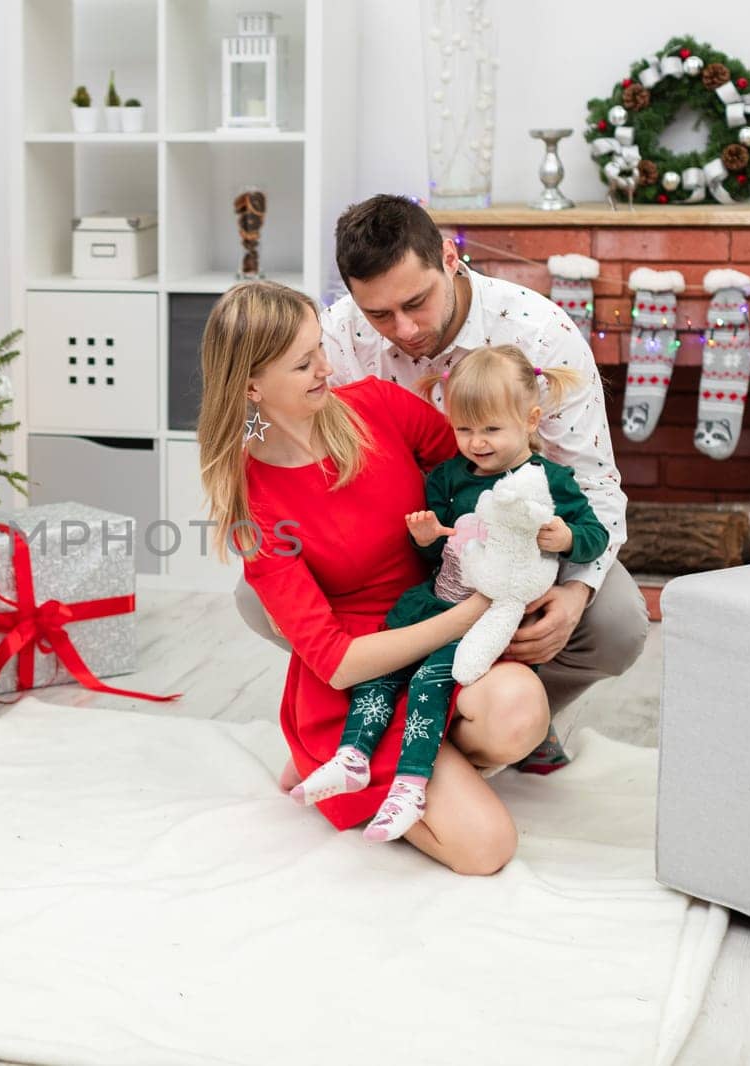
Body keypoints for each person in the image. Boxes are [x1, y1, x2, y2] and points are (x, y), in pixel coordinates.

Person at [234, 195, 648, 768]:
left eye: (416, 302)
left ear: (450, 259)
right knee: (257, 597)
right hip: (397, 541)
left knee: (619, 622)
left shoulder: (540, 332)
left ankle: (518, 716)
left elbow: (595, 486)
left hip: (518, 541)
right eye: (379, 314)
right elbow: (293, 440)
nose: (403, 330)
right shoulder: (336, 338)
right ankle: (399, 706)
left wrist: (576, 593)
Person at [198, 280, 550, 875]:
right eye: (304, 362)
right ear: (252, 385)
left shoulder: (378, 408)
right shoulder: (253, 500)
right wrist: (467, 616)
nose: (326, 368)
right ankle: (348, 763)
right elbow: (334, 660)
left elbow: (480, 473)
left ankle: (426, 758)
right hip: (360, 680)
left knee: (520, 711)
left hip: (434, 627)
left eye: (320, 350)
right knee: (487, 849)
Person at [291, 344, 609, 843]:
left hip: (489, 620)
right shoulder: (447, 476)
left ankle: (411, 784)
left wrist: (567, 539)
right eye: (464, 429)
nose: (476, 443)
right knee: (384, 670)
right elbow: (437, 551)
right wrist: (425, 537)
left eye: (491, 430)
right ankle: (352, 755)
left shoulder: (549, 481)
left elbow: (595, 533)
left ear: (529, 421)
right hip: (441, 600)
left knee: (428, 686)